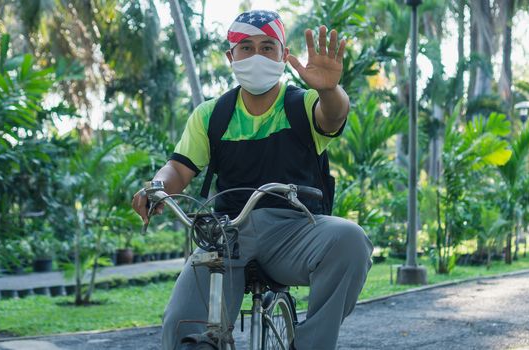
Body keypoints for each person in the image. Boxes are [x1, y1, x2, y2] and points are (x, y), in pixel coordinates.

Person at [132, 10, 372, 350]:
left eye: (267, 47)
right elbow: (179, 169)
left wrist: (330, 90)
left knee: (350, 239)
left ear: (283, 54)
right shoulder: (212, 115)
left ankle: (311, 344)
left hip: (295, 230)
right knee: (180, 325)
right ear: (231, 56)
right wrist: (156, 188)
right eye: (246, 48)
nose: (256, 55)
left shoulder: (301, 105)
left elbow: (332, 116)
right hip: (226, 235)